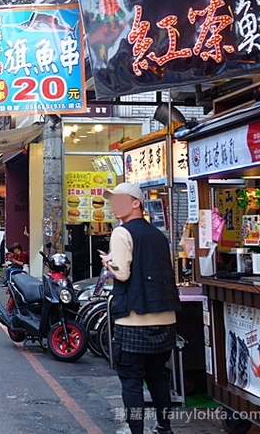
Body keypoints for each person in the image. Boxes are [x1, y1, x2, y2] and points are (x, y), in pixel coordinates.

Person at [100, 182, 181, 434]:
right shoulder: (158, 235)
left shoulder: (122, 233)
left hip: (133, 320)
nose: (115, 205)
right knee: (157, 377)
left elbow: (122, 274)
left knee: (132, 381)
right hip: (165, 319)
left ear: (136, 203)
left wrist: (107, 263)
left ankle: (137, 431)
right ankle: (164, 427)